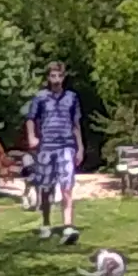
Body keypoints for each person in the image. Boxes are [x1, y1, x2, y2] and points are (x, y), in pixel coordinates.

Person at [24, 61, 85, 245]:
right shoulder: (41, 97)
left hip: (66, 146)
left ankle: (68, 225)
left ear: (63, 77)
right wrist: (32, 137)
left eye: (59, 76)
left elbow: (76, 124)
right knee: (46, 187)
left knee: (67, 187)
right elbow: (30, 119)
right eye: (53, 76)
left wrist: (80, 147)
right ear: (48, 78)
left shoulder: (72, 98)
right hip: (46, 147)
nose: (56, 79)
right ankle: (46, 223)